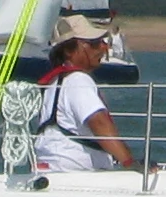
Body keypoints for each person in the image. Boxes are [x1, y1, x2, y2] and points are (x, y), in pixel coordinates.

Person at [33, 15, 138, 172]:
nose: (103, 48)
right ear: (69, 51)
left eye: (103, 42)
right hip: (74, 171)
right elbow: (99, 123)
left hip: (51, 167)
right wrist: (130, 163)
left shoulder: (54, 83)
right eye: (94, 43)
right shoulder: (78, 80)